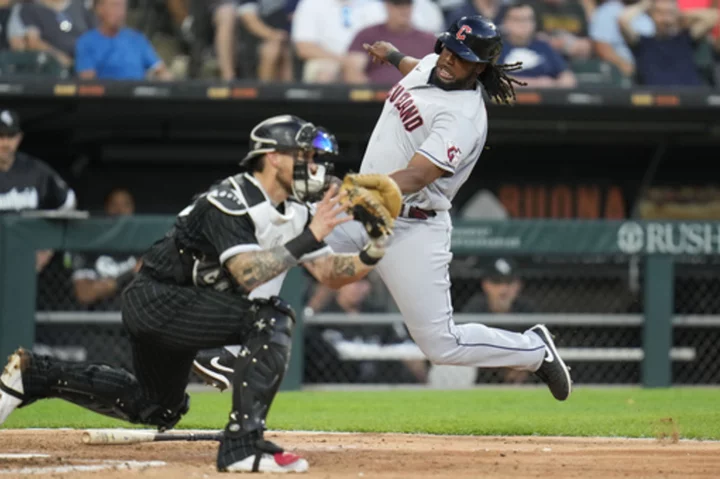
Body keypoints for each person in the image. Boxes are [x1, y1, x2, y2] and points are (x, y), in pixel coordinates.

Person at [193, 15, 573, 402]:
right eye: (447, 48)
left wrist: (355, 188)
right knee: (288, 238)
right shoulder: (436, 65)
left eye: (460, 57)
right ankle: (235, 348)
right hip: (360, 210)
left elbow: (417, 176)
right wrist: (391, 55)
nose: (447, 59)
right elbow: (418, 67)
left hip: (412, 227)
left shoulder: (463, 118)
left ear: (479, 68)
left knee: (440, 345)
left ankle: (534, 350)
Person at [0, 115, 389, 473]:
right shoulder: (232, 199)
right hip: (157, 299)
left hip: (191, 307)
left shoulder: (299, 210)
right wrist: (313, 235)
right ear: (272, 158)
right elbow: (249, 274)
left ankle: (33, 376)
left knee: (155, 407)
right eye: (304, 155)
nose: (315, 166)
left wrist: (375, 248)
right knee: (271, 316)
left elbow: (329, 273)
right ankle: (242, 446)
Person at [0, 108, 76, 272]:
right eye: (0, 136)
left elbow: (68, 202)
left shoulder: (35, 171)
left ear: (19, 138)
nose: (5, 143)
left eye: (10, 136)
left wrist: (47, 247)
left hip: (25, 263)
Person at [69, 188, 141, 309]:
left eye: (125, 205)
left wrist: (104, 286)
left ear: (132, 209)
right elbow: (85, 294)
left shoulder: (144, 245)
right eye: (114, 204)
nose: (120, 210)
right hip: (97, 320)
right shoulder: (91, 247)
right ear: (106, 208)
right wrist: (129, 274)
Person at [74, 0, 172, 80]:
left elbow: (160, 70)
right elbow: (87, 85)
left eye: (123, 6)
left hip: (138, 101)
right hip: (105, 101)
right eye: (115, 6)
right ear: (100, 9)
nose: (120, 12)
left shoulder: (137, 39)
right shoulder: (86, 42)